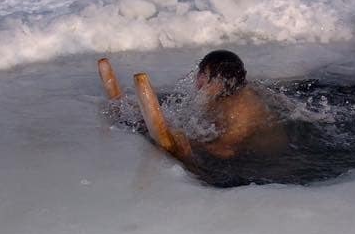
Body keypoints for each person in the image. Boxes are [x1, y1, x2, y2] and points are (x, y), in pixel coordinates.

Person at [98, 50, 286, 161]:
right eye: (200, 72)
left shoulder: (238, 111)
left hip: (264, 159)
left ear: (223, 82)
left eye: (205, 75)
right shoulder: (219, 95)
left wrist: (183, 144)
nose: (198, 80)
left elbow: (226, 150)